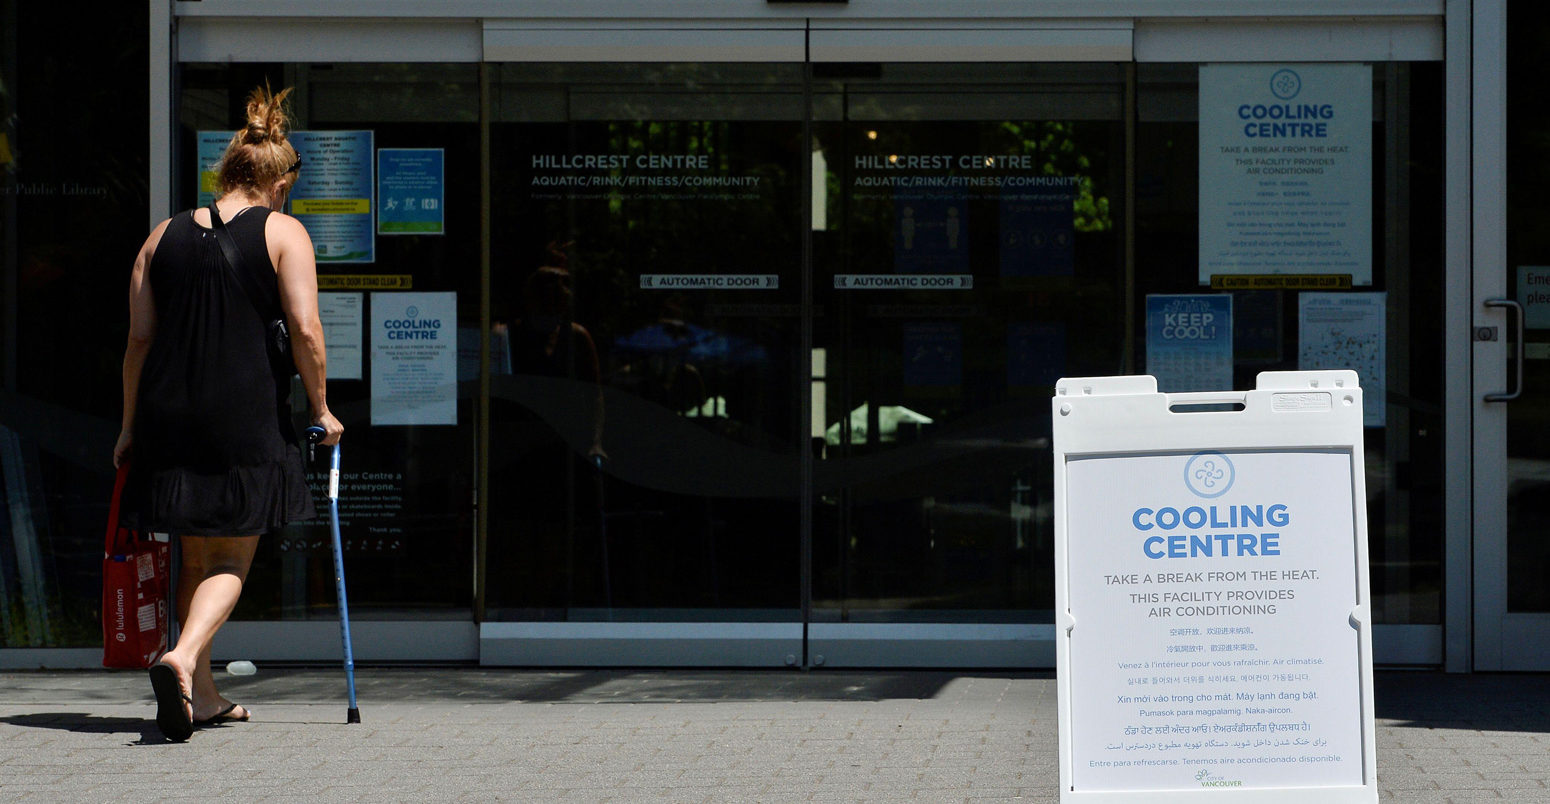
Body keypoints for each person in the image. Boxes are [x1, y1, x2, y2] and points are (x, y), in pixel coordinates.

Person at [112, 85, 343, 742]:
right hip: (241, 413)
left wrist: (129, 425)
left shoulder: (161, 237)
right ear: (280, 180)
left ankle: (202, 695)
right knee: (232, 559)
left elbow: (137, 340)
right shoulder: (283, 232)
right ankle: (182, 660)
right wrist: (322, 407)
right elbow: (305, 327)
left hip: (167, 414)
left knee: (192, 556)